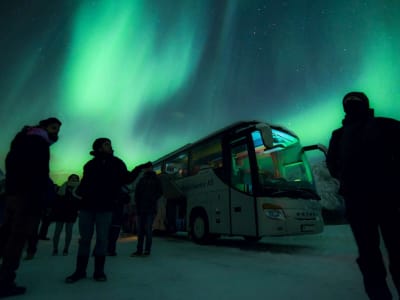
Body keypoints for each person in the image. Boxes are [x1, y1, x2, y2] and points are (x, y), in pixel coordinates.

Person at [326, 91, 400, 300]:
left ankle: (379, 295)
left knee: (370, 255)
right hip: (387, 200)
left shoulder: (338, 135)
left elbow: (333, 167)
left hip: (364, 203)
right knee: (387, 251)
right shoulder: (387, 125)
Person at [65, 138, 150, 283]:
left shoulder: (117, 163)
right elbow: (84, 185)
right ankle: (80, 271)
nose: (110, 146)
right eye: (106, 144)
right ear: (99, 148)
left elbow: (127, 179)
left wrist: (139, 168)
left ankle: (99, 272)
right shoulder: (89, 165)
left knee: (102, 239)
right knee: (84, 239)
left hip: (105, 208)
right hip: (87, 207)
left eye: (110, 144)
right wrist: (75, 198)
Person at [0, 117, 61, 298]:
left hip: (14, 196)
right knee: (16, 240)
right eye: (53, 128)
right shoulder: (38, 143)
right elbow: (39, 174)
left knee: (6, 235)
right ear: (43, 128)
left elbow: (13, 168)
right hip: (28, 199)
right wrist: (45, 197)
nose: (55, 132)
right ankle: (5, 283)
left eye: (57, 129)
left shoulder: (21, 140)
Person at [130, 163, 162, 257]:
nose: (148, 169)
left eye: (149, 167)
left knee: (147, 230)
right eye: (146, 168)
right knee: (140, 231)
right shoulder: (142, 180)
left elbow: (160, 192)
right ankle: (139, 250)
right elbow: (137, 193)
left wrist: (153, 198)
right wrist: (137, 204)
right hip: (141, 209)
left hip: (150, 209)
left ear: (152, 168)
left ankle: (147, 250)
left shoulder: (156, 179)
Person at [51, 174, 80, 256]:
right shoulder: (63, 186)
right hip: (61, 211)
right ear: (69, 179)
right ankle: (55, 248)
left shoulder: (79, 189)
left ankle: (66, 248)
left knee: (69, 232)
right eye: (72, 178)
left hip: (71, 212)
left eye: (75, 178)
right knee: (57, 231)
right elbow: (57, 199)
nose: (73, 180)